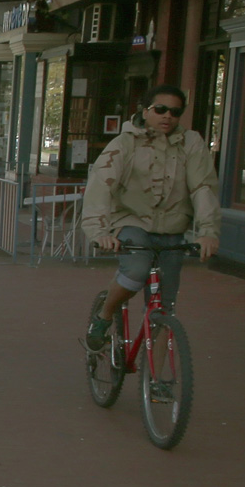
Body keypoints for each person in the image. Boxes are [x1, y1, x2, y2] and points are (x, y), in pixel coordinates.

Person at [80, 84, 220, 350]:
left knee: (164, 312)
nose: (168, 116)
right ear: (145, 111)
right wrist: (99, 233)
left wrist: (208, 231)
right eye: (161, 109)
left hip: (173, 228)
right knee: (136, 271)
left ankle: (157, 385)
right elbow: (101, 186)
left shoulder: (191, 143)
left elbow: (203, 187)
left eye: (175, 112)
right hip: (132, 222)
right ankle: (104, 315)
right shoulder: (125, 143)